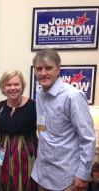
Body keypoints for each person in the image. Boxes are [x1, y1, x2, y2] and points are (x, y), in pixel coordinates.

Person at [31, 49, 96, 191]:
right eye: (39, 69)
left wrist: (83, 174)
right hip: (43, 175)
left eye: (48, 68)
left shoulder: (72, 96)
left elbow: (88, 138)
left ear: (58, 70)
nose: (43, 73)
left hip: (67, 179)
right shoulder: (40, 94)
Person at [0, 70, 38, 191]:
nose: (12, 88)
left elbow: (43, 130)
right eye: (8, 85)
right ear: (3, 87)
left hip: (27, 154)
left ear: (22, 86)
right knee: (3, 184)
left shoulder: (33, 106)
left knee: (27, 185)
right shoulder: (0, 105)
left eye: (16, 84)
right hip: (3, 153)